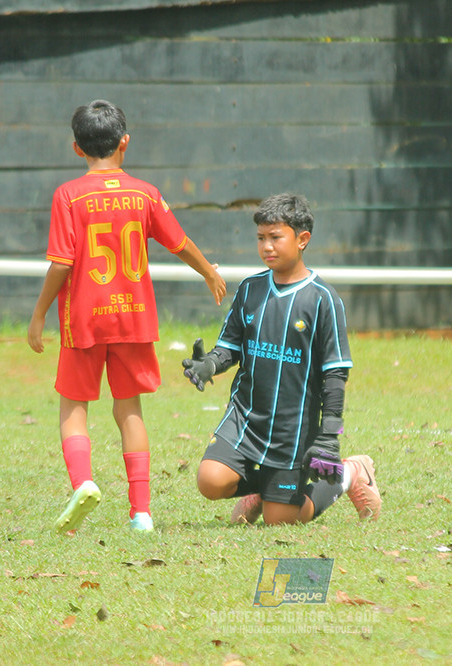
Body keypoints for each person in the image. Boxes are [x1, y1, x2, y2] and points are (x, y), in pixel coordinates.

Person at [28, 99, 226, 534]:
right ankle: (141, 513)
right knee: (129, 409)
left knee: (73, 407)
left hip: (84, 320)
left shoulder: (68, 195)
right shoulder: (145, 193)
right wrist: (210, 271)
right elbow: (178, 242)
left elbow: (61, 263)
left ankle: (82, 483)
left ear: (77, 149)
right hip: (134, 319)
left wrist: (39, 313)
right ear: (125, 143)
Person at [181, 193, 381, 526]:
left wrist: (329, 434)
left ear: (303, 240)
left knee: (281, 520)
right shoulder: (250, 289)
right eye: (261, 238)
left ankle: (350, 473)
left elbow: (335, 374)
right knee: (210, 480)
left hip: (293, 429)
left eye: (276, 237)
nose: (266, 246)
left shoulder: (322, 299)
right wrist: (210, 364)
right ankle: (270, 487)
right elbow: (231, 346)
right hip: (245, 417)